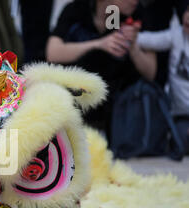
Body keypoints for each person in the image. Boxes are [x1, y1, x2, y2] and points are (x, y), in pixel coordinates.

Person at [46, 0, 156, 139]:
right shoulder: (78, 10)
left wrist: (133, 46)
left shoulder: (132, 14)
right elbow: (53, 53)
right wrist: (98, 44)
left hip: (119, 115)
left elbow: (150, 72)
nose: (134, 1)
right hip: (77, 108)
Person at [136, 7, 189, 152]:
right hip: (181, 115)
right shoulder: (176, 35)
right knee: (180, 140)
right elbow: (149, 40)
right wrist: (129, 35)